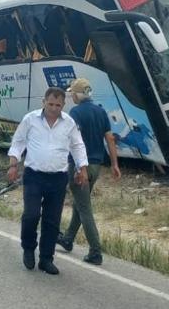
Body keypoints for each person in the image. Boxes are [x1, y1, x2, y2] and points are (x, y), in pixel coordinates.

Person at [8, 87, 89, 275]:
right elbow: (18, 142)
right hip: (34, 176)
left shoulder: (69, 123)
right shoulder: (30, 119)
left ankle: (46, 258)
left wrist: (82, 169)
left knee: (52, 221)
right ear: (43, 102)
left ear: (63, 105)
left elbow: (77, 146)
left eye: (58, 105)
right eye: (50, 104)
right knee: (31, 214)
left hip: (58, 178)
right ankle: (28, 248)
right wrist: (13, 164)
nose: (53, 108)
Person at [57, 78, 121, 266]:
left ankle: (95, 251)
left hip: (79, 166)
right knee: (80, 203)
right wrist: (115, 164)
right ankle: (68, 238)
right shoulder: (101, 111)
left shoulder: (75, 113)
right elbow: (110, 139)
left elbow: (71, 141)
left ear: (77, 95)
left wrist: (74, 166)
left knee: (84, 208)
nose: (71, 96)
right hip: (96, 166)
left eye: (72, 93)